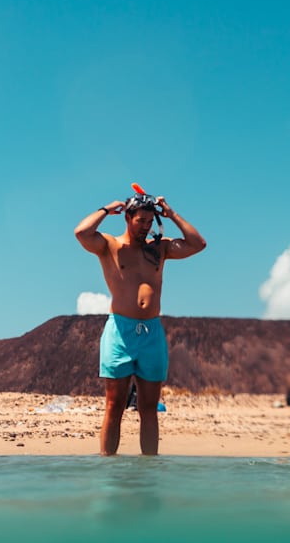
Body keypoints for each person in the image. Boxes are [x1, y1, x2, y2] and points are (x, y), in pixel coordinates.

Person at [74, 190, 206, 455]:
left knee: (149, 409)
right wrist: (106, 209)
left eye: (149, 221)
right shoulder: (110, 246)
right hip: (119, 332)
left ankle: (149, 472)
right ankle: (109, 468)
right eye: (140, 221)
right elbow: (81, 233)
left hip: (152, 334)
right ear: (128, 218)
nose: (145, 227)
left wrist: (171, 214)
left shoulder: (160, 248)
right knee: (115, 405)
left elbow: (197, 244)